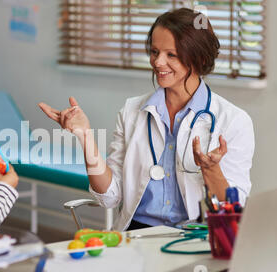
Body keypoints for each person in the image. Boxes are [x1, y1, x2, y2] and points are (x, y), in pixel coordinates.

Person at [38, 8, 254, 231]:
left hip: (195, 238)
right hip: (137, 235)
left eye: (171, 54)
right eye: (154, 51)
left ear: (198, 57)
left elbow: (236, 209)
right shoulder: (132, 111)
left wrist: (211, 170)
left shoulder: (233, 121)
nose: (158, 62)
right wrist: (85, 137)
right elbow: (109, 198)